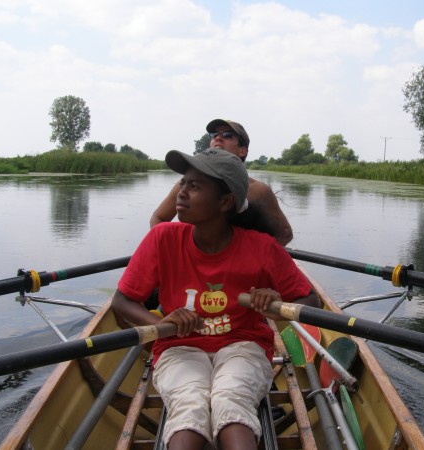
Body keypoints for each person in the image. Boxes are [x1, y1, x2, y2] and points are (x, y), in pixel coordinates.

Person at [111, 148, 321, 450]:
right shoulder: (163, 238)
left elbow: (308, 301)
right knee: (189, 404)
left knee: (230, 399)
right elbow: (122, 301)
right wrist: (162, 323)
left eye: (194, 186)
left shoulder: (261, 247)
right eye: (183, 183)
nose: (181, 193)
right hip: (179, 347)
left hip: (243, 346)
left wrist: (274, 306)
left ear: (225, 201)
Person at [150, 119, 294, 246]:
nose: (218, 138)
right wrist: (171, 252)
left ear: (242, 151)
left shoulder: (259, 191)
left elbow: (284, 234)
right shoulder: (186, 186)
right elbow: (159, 218)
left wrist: (255, 260)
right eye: (214, 135)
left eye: (227, 135)